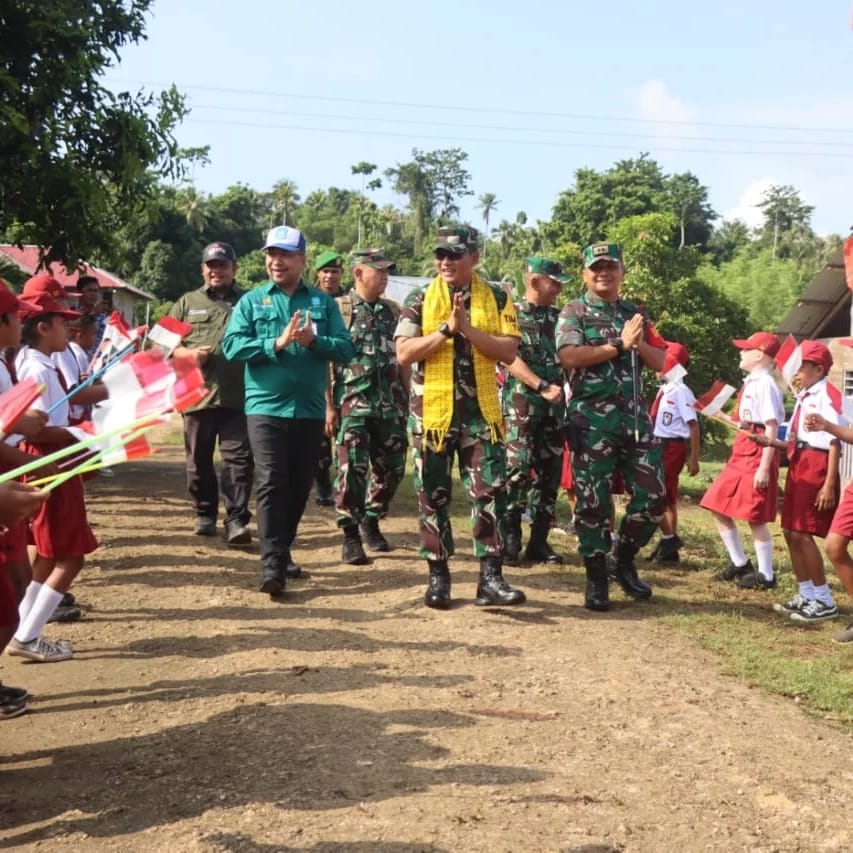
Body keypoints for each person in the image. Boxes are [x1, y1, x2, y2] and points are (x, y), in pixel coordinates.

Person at [395, 224, 526, 609]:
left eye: (454, 255)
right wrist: (446, 330)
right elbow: (404, 353)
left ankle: (490, 579)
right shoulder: (420, 298)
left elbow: (508, 351)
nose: (446, 262)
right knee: (432, 494)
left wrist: (468, 328)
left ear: (475, 257)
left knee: (488, 493)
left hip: (480, 414)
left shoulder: (498, 297)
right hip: (431, 417)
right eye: (440, 255)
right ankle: (438, 576)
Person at [222, 226, 354, 597]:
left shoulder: (323, 303)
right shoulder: (252, 301)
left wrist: (315, 341)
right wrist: (275, 343)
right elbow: (232, 347)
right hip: (265, 407)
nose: (276, 261)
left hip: (309, 410)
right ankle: (272, 566)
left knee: (299, 486)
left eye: (285, 255)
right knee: (271, 480)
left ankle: (281, 550)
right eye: (271, 254)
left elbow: (346, 349)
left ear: (302, 260)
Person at [556, 241, 666, 612]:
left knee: (654, 497)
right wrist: (619, 345)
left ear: (622, 271)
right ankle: (596, 577)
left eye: (610, 266)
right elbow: (569, 356)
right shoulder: (574, 311)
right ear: (585, 273)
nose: (603, 272)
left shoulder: (635, 313)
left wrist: (637, 344)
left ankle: (623, 559)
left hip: (635, 421)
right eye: (596, 267)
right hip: (591, 422)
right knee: (593, 504)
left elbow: (660, 361)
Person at [7, 290, 97, 662]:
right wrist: (85, 431)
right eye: (62, 322)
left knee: (48, 554)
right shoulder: (37, 367)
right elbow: (38, 431)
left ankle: (22, 629)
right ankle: (27, 635)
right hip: (47, 459)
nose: (69, 329)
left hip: (52, 457)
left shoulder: (40, 361)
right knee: (70, 556)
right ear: (43, 328)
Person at [748, 341, 841, 623]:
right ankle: (806, 592)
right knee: (789, 530)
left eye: (801, 366)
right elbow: (799, 438)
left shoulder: (826, 395)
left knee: (803, 533)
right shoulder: (805, 395)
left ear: (818, 369)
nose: (795, 372)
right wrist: (772, 443)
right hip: (799, 461)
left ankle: (824, 599)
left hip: (816, 465)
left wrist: (828, 483)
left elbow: (834, 441)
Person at [169, 242, 254, 544]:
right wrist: (187, 354)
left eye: (223, 265)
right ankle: (204, 512)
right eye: (211, 265)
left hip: (240, 397)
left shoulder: (249, 301)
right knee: (198, 461)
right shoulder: (187, 302)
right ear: (203, 269)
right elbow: (158, 344)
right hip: (197, 397)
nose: (216, 270)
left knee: (238, 461)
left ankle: (236, 519)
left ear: (234, 269)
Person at [332, 249, 409, 564]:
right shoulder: (339, 310)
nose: (385, 276)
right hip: (352, 404)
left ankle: (372, 517)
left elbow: (402, 358)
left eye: (387, 270)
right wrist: (328, 407)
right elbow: (326, 362)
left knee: (393, 468)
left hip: (390, 404)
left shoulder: (394, 311)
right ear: (358, 273)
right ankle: (351, 535)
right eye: (378, 270)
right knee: (352, 470)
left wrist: (407, 398)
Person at [702, 332, 784, 590]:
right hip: (742, 450)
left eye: (746, 349)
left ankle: (766, 575)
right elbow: (748, 423)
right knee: (717, 504)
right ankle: (739, 562)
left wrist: (764, 468)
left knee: (754, 515)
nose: (741, 353)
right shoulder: (752, 382)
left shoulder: (765, 384)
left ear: (759, 354)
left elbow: (770, 428)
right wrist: (723, 417)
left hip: (757, 453)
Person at [502, 257, 570, 566]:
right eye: (553, 282)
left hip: (554, 409)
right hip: (522, 406)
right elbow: (509, 358)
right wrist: (541, 385)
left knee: (549, 473)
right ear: (533, 281)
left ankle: (539, 540)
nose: (558, 289)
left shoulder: (562, 318)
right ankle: (510, 537)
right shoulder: (512, 315)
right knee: (517, 470)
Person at [647, 341, 700, 563]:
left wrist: (693, 458)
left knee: (665, 496)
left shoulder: (681, 391)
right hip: (658, 444)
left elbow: (693, 426)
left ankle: (670, 546)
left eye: (662, 360)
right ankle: (667, 541)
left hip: (672, 447)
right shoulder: (665, 389)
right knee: (659, 495)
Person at [312, 250, 345, 506]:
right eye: (326, 271)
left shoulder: (349, 300)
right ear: (318, 274)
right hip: (318, 372)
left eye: (335, 271)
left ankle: (345, 486)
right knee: (320, 437)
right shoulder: (309, 300)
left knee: (346, 433)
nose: (330, 276)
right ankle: (322, 484)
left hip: (346, 374)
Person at [75, 274, 109, 359]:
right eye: (89, 290)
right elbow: (77, 324)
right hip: (81, 359)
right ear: (79, 292)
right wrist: (93, 313)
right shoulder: (74, 314)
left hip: (101, 360)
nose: (93, 294)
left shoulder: (103, 314)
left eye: (96, 291)